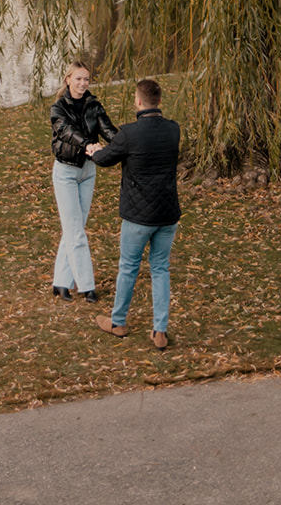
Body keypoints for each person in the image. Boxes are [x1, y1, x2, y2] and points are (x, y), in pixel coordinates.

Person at [87, 77, 180, 349]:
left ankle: (118, 322)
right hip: (167, 213)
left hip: (138, 216)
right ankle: (159, 330)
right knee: (160, 268)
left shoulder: (129, 133)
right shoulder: (173, 130)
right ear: (159, 101)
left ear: (138, 101)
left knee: (128, 268)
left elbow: (106, 159)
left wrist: (94, 150)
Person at [50, 60, 117, 302]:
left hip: (88, 172)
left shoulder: (94, 106)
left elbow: (108, 130)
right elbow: (67, 131)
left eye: (86, 79)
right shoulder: (57, 109)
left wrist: (127, 145)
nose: (82, 83)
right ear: (68, 79)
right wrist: (88, 144)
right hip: (66, 173)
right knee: (76, 231)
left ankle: (60, 282)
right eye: (78, 78)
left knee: (73, 229)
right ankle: (87, 286)